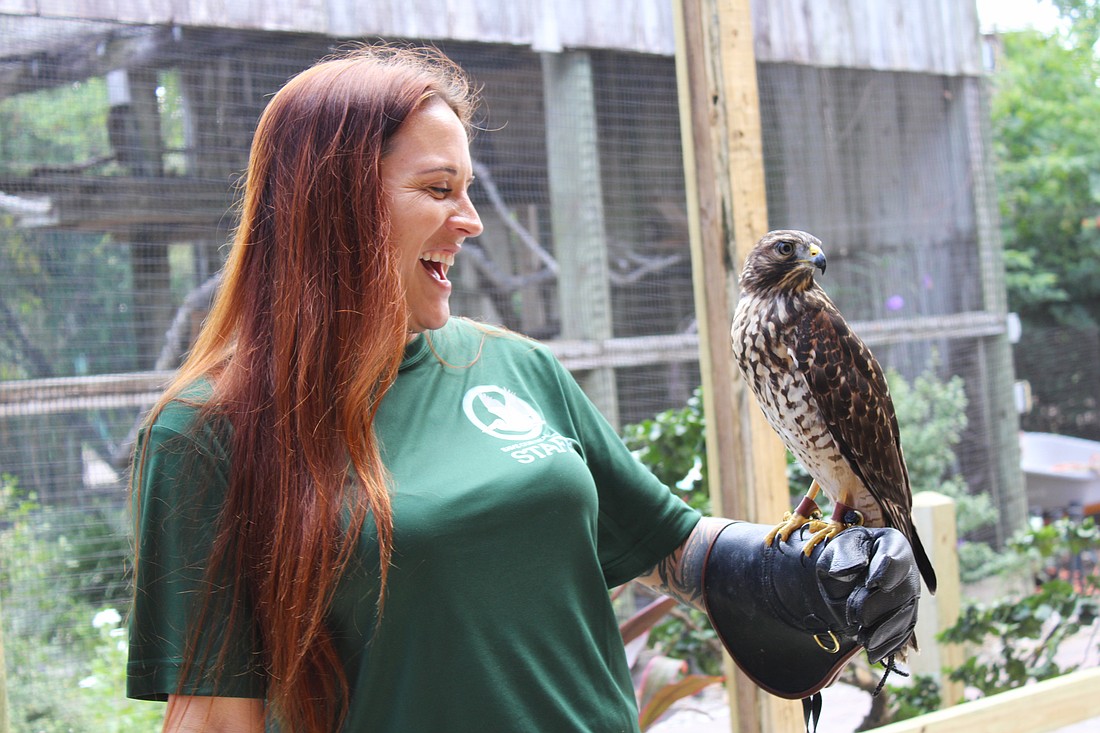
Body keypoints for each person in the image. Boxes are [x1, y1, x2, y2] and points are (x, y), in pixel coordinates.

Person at [126, 44, 921, 733]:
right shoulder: (211, 433)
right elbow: (213, 713)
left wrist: (813, 571)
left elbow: (668, 543)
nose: (471, 220)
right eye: (440, 189)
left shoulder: (515, 368)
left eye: (469, 189)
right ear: (332, 205)